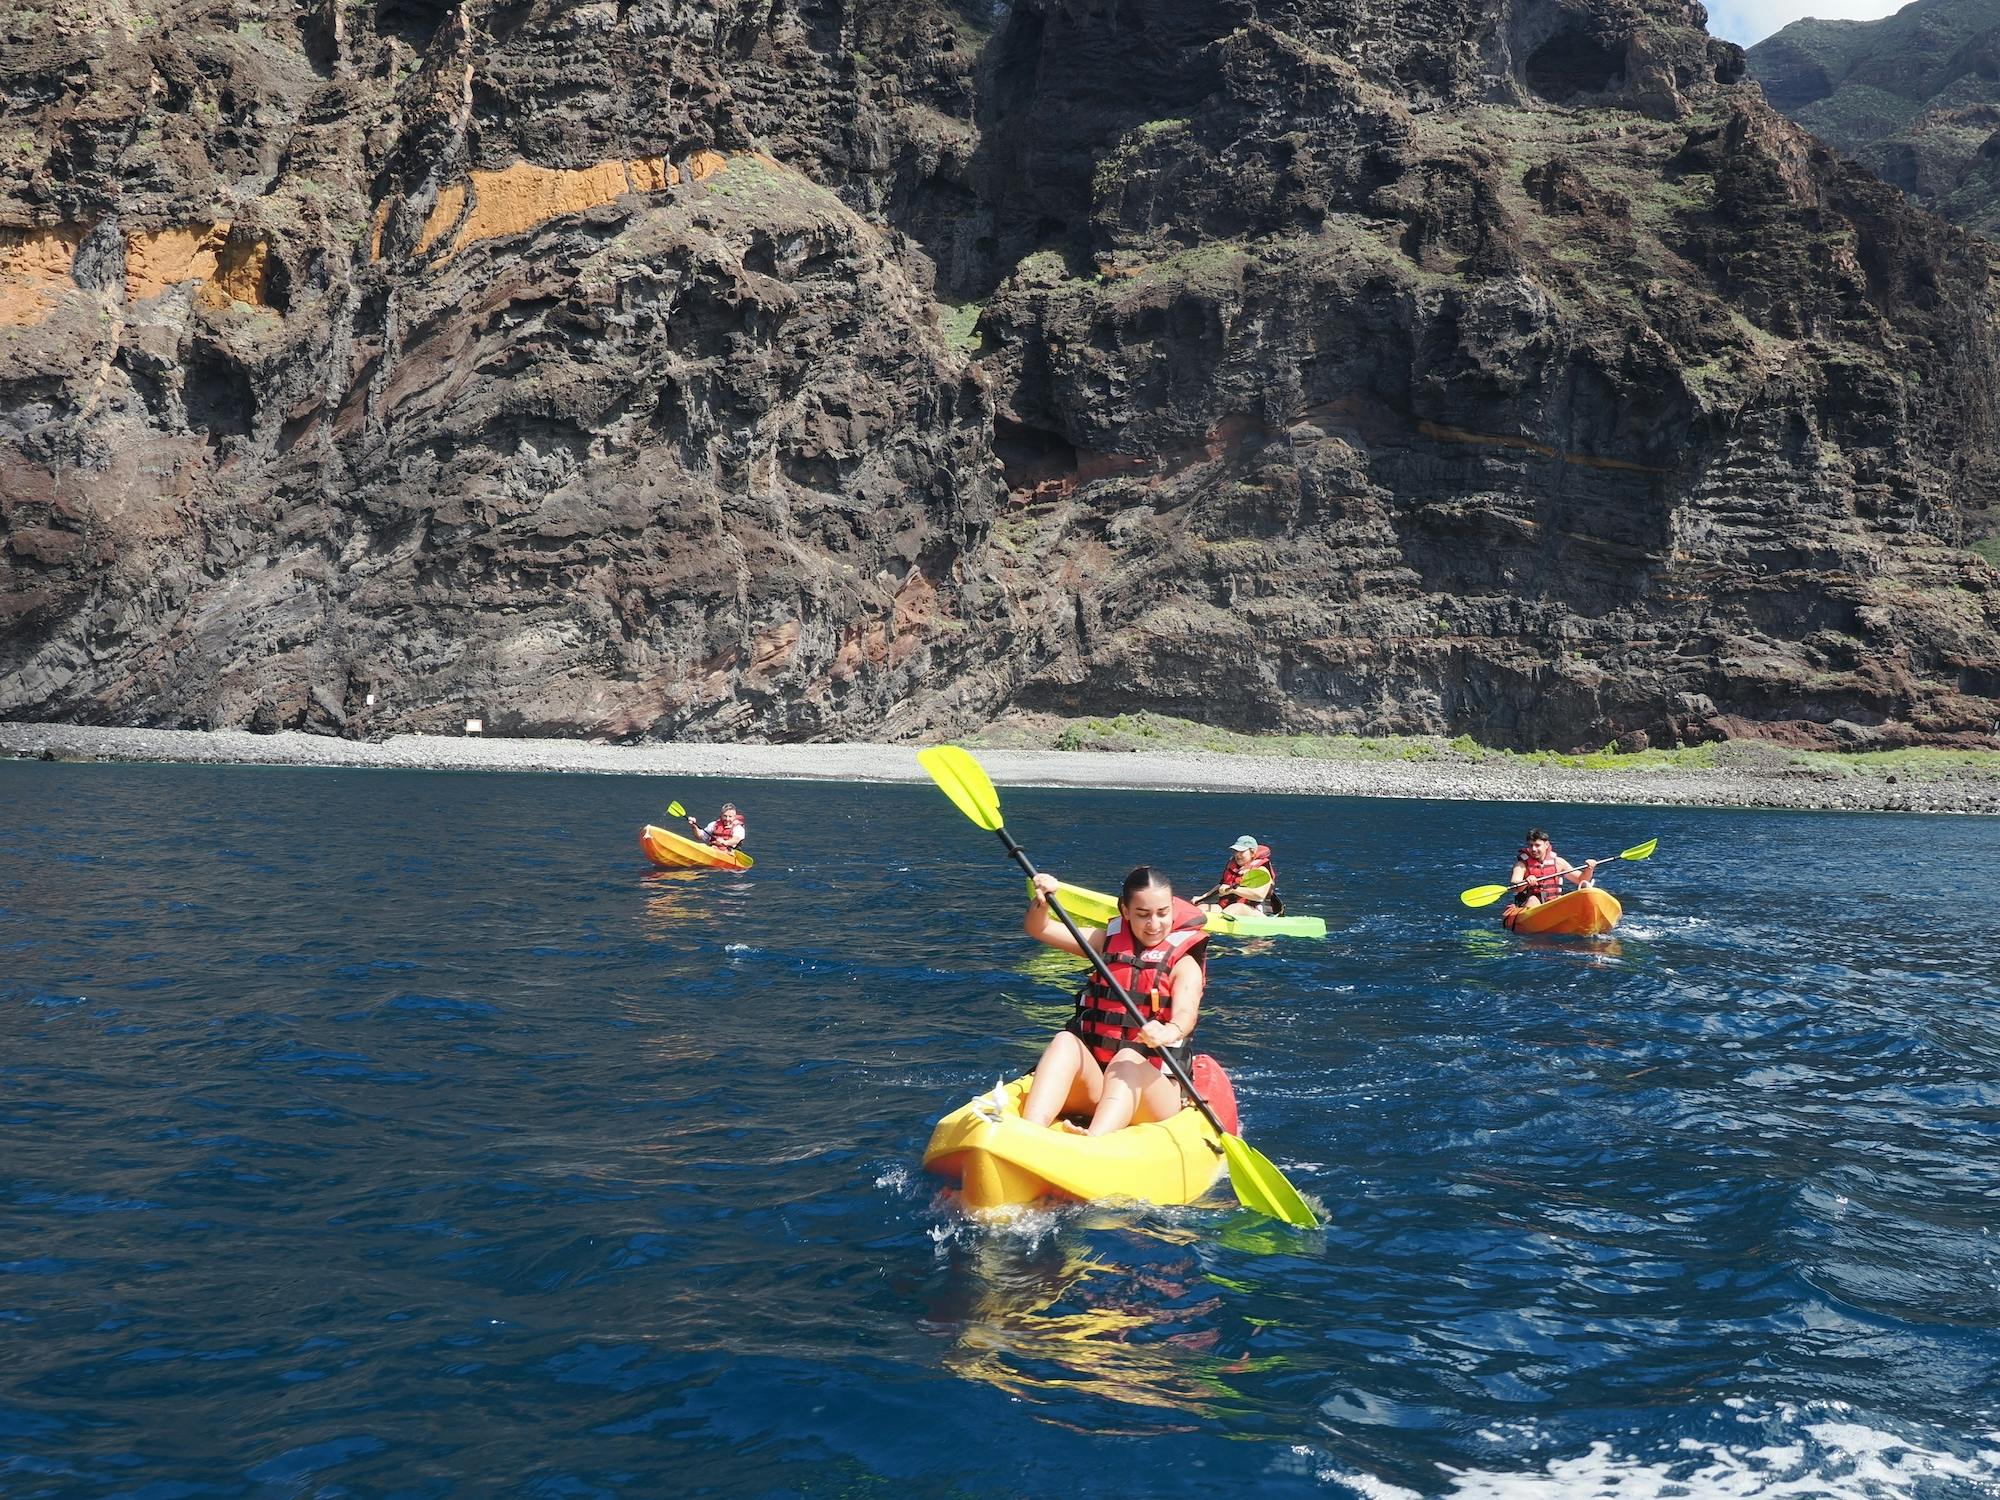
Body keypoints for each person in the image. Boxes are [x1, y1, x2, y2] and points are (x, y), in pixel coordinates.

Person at [1016, 867, 1208, 1135]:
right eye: (1143, 915)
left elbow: (1185, 1015)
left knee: (1127, 1058)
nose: (1154, 924)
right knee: (1065, 1041)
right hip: (1099, 1083)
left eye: (1163, 913)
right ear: (1126, 912)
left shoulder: (1184, 964)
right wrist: (1042, 901)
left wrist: (1168, 1031)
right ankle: (1029, 1131)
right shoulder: (1106, 942)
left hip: (1154, 1094)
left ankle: (1093, 1142)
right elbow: (1040, 927)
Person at [1503, 828, 1595, 927]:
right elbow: (1515, 884)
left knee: (1564, 900)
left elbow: (1581, 880)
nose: (1533, 849)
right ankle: (1535, 926)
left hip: (1553, 901)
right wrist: (1526, 881)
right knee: (1533, 900)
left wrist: (1589, 869)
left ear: (1546, 845)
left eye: (1537, 845)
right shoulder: (1521, 864)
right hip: (1532, 901)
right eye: (1530, 845)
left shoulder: (1558, 862)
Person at [1198, 835, 1282, 915]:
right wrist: (1202, 897)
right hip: (1228, 908)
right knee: (1201, 908)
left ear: (1252, 852)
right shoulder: (1234, 867)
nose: (1237, 854)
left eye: (1241, 851)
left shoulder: (1262, 871)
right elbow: (1222, 886)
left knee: (1235, 908)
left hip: (1256, 912)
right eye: (1235, 851)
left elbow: (1259, 895)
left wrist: (1233, 890)